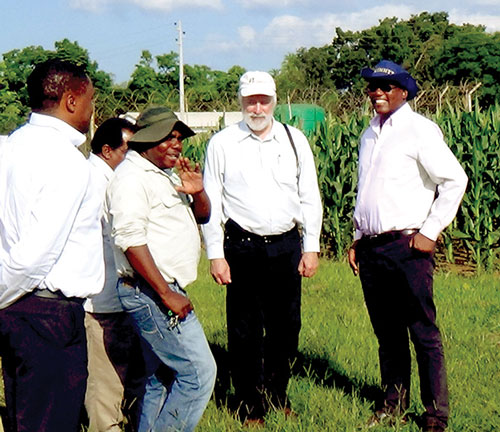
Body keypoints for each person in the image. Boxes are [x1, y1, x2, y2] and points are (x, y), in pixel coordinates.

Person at [348, 60, 468, 432]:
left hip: (407, 246)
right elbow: (365, 189)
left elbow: (454, 179)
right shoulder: (369, 133)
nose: (377, 93)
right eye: (372, 87)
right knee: (387, 333)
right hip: (372, 248)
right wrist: (356, 237)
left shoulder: (419, 130)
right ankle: (393, 405)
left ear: (404, 91)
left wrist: (430, 231)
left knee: (423, 332)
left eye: (386, 87)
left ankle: (435, 415)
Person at [202, 71, 323, 424]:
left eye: (263, 101)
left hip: (286, 245)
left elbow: (310, 196)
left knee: (287, 328)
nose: (257, 108)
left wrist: (311, 246)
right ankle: (248, 405)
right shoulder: (222, 144)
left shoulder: (294, 140)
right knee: (244, 330)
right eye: (250, 101)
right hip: (242, 247)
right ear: (240, 102)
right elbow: (212, 204)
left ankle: (277, 395)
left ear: (274, 100)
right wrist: (215, 255)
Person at [0, 59, 104, 432]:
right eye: (90, 100)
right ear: (72, 101)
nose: (92, 111)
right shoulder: (66, 160)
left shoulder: (10, 147)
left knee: (23, 418)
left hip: (18, 312)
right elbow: (33, 257)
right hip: (48, 314)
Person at [106, 106, 216, 432]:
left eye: (179, 138)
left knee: (163, 376)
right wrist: (166, 293)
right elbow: (130, 240)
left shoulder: (161, 174)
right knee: (199, 373)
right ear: (146, 140)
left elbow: (203, 216)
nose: (176, 145)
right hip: (151, 291)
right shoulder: (130, 179)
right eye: (168, 137)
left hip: (160, 290)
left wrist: (197, 192)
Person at [84, 117, 145, 432]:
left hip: (115, 296)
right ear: (107, 150)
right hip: (102, 298)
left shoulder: (106, 179)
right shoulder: (93, 183)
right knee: (105, 384)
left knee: (123, 375)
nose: (132, 158)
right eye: (128, 150)